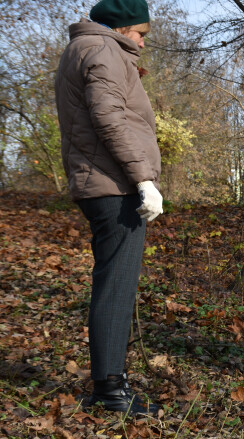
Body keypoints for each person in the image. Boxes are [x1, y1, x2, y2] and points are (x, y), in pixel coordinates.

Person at [55, 0, 163, 415]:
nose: (141, 41)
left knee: (111, 283)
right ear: (120, 28)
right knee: (117, 287)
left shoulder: (87, 49)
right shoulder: (102, 51)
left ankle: (110, 381)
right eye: (140, 33)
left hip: (100, 181)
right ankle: (110, 390)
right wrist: (142, 179)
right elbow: (109, 119)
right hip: (113, 186)